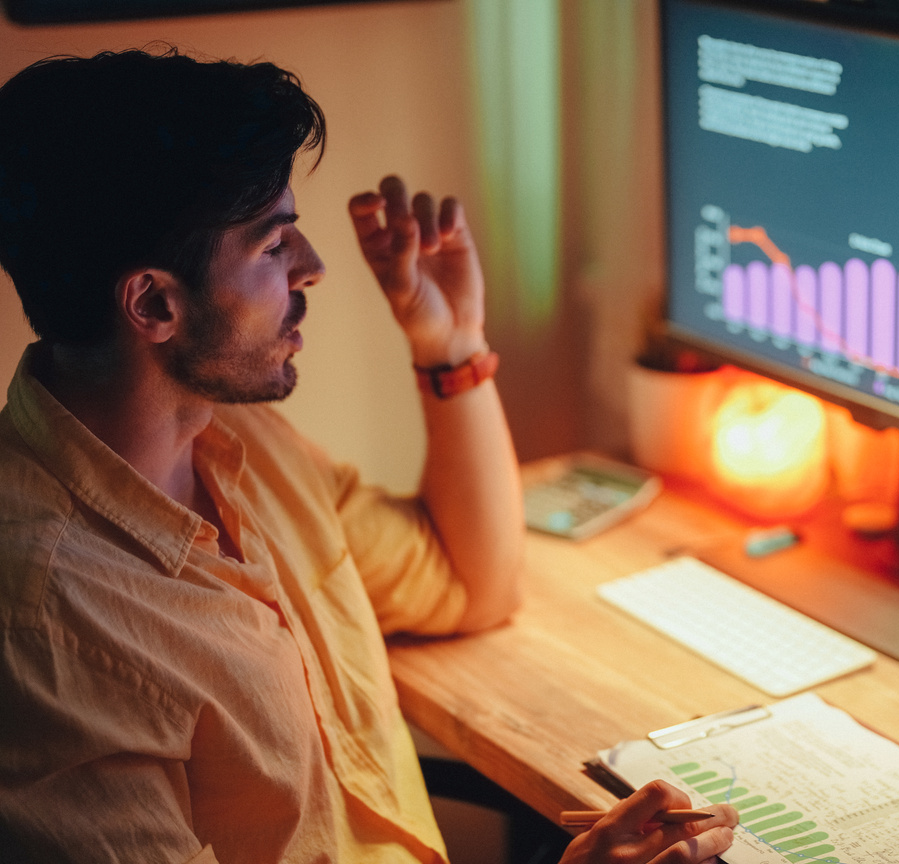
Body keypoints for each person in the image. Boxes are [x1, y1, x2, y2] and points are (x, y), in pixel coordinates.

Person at [0, 48, 736, 863]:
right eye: (274, 248)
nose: (313, 267)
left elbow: (467, 583)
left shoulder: (237, 444)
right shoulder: (41, 631)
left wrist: (449, 348)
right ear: (155, 303)